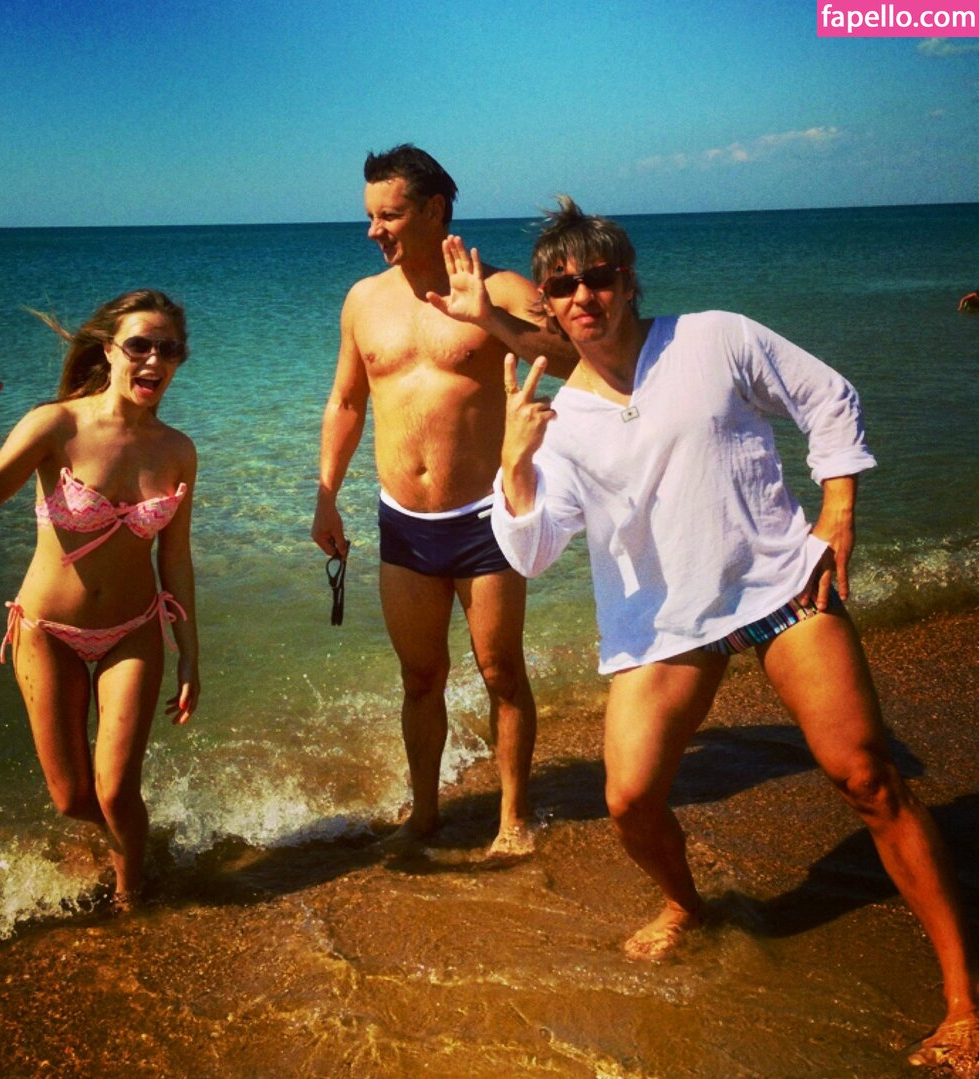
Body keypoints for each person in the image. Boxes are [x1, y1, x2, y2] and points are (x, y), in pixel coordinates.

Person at [492, 197, 978, 1066]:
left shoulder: (713, 336)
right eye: (562, 286)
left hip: (779, 586)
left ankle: (962, 998)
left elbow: (827, 396)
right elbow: (532, 554)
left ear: (627, 280)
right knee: (629, 801)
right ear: (548, 306)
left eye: (598, 277)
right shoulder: (557, 422)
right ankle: (687, 902)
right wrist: (514, 464)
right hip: (667, 625)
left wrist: (837, 509)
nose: (583, 296)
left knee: (867, 777)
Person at [311, 145, 576, 856]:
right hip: (404, 522)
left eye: (389, 215)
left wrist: (490, 319)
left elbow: (577, 359)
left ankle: (512, 819)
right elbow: (345, 401)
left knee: (501, 672)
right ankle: (423, 817)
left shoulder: (503, 288)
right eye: (370, 216)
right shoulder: (364, 301)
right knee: (420, 676)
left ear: (434, 210)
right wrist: (326, 495)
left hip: (487, 518)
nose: (374, 230)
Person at [0, 289, 200, 911]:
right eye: (140, 345)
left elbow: (174, 559)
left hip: (134, 631)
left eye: (169, 349)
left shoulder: (177, 450)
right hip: (47, 631)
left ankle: (132, 900)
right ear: (108, 350)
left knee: (116, 792)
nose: (154, 359)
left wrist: (191, 654)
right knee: (72, 799)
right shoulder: (55, 425)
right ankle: (135, 845)